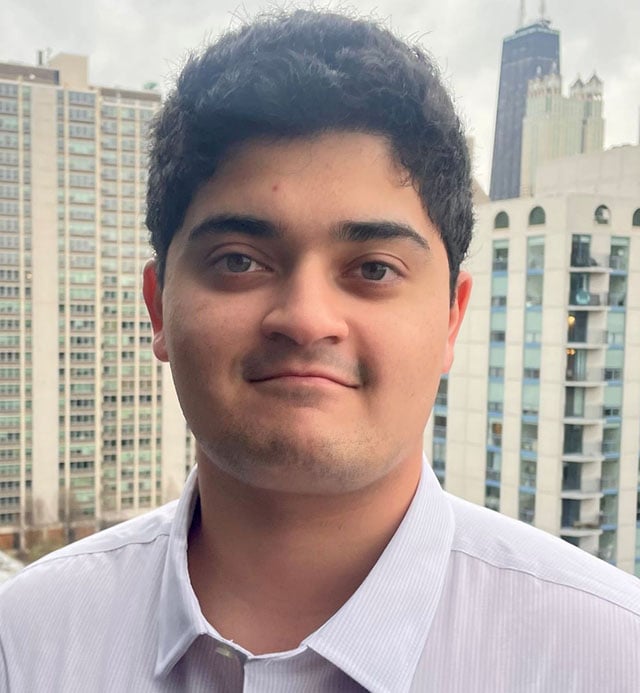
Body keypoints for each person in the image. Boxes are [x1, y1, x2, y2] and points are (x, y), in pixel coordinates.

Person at [1, 9, 639, 692]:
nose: (306, 319)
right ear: (158, 306)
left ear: (451, 318)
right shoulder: (25, 640)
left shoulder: (612, 655)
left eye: (374, 269)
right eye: (240, 260)